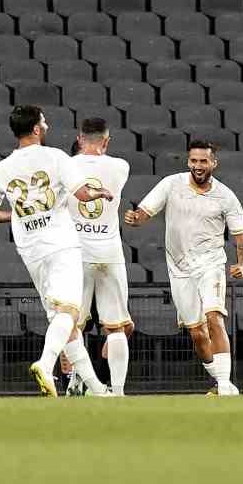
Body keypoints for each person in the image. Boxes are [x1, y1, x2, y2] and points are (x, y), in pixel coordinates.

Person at [0, 105, 111, 397]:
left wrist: (14, 216)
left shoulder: (2, 168)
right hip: (60, 244)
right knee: (69, 312)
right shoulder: (56, 157)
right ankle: (46, 364)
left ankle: (98, 390)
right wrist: (98, 193)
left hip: (31, 251)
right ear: (36, 129)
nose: (46, 125)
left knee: (62, 320)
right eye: (44, 122)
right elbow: (83, 195)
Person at [124, 139, 243, 395]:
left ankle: (225, 386)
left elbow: (241, 238)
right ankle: (221, 381)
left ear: (214, 163)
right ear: (188, 162)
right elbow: (145, 212)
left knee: (214, 317)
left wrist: (241, 263)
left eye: (204, 161)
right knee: (197, 334)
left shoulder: (226, 196)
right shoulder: (171, 184)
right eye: (194, 160)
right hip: (180, 269)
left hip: (211, 264)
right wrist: (135, 219)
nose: (198, 166)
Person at [66, 117, 134, 395]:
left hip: (76, 253)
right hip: (110, 251)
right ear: (106, 141)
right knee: (116, 325)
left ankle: (78, 383)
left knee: (72, 324)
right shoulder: (120, 167)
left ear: (79, 139)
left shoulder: (65, 165)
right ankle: (117, 391)